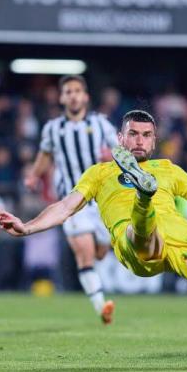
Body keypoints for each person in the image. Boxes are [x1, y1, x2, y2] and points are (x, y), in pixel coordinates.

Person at [0, 110, 187, 362]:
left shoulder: (168, 169)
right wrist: (28, 227)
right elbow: (65, 207)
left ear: (154, 141)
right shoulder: (99, 173)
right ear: (120, 139)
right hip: (133, 242)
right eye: (132, 134)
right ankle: (144, 197)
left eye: (146, 135)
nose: (138, 140)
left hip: (183, 238)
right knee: (145, 232)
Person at [24, 75, 118, 325]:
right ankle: (102, 306)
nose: (73, 95)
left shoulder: (101, 125)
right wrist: (34, 175)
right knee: (85, 255)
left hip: (102, 201)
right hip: (72, 202)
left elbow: (121, 152)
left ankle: (101, 258)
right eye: (68, 91)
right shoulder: (53, 128)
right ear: (62, 97)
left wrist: (114, 157)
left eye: (78, 90)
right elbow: (45, 155)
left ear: (85, 96)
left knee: (99, 252)